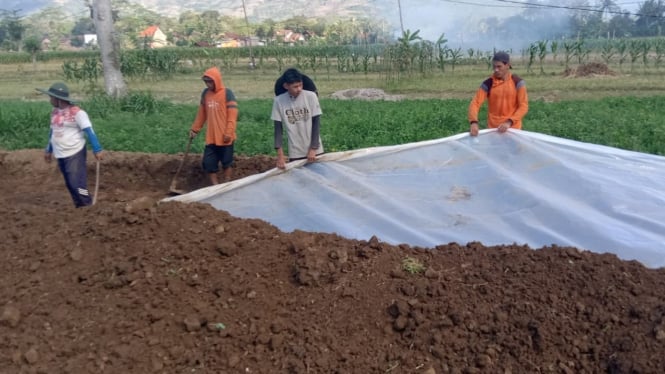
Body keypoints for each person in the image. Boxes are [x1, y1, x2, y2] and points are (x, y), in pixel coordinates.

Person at [37, 82, 104, 208]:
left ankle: (87, 204)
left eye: (51, 97)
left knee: (77, 184)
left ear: (58, 99)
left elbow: (89, 130)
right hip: (60, 153)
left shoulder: (77, 113)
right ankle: (79, 206)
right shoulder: (55, 112)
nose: (50, 99)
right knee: (69, 183)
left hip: (75, 152)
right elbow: (53, 131)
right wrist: (48, 149)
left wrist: (97, 148)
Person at [189, 66, 238, 185]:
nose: (208, 85)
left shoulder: (227, 93)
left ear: (216, 80)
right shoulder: (206, 94)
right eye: (206, 82)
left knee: (227, 162)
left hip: (225, 136)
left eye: (210, 81)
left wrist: (229, 132)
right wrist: (195, 129)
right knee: (208, 163)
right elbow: (202, 113)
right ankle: (215, 186)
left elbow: (232, 115)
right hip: (211, 136)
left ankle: (227, 183)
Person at [271, 68, 324, 169]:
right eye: (295, 87)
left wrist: (313, 149)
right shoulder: (279, 101)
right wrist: (280, 156)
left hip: (315, 151)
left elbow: (316, 124)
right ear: (286, 86)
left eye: (300, 85)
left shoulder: (311, 96)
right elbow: (278, 130)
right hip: (296, 152)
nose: (299, 89)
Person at [468, 51, 529, 136]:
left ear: (507, 65)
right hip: (494, 131)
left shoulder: (517, 82)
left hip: (513, 130)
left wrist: (509, 122)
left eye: (499, 66)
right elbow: (475, 103)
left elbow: (523, 106)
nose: (496, 70)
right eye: (494, 67)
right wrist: (473, 122)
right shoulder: (488, 83)